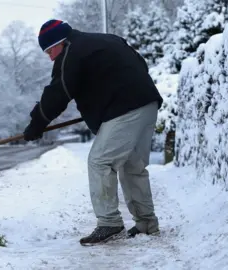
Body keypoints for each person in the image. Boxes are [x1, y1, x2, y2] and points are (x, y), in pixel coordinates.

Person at [23, 19, 164, 245]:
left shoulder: (72, 52)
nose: (50, 57)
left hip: (126, 109)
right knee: (132, 167)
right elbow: (138, 64)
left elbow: (60, 91)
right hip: (148, 103)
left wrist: (37, 123)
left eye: (50, 50)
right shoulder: (105, 39)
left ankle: (109, 222)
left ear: (61, 42)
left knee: (100, 162)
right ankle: (146, 224)